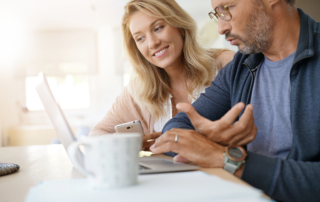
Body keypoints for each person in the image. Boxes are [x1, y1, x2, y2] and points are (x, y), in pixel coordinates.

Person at [150, 0, 320, 201]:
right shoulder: (241, 66)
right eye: (217, 14)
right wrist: (209, 140)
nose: (221, 28)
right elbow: (176, 128)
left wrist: (229, 159)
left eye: (227, 8)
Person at [89, 0, 235, 150]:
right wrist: (123, 143)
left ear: (180, 26)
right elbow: (96, 134)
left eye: (158, 28)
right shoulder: (138, 90)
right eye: (140, 38)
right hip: (169, 173)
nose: (152, 43)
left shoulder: (226, 64)